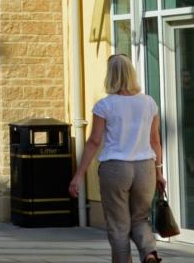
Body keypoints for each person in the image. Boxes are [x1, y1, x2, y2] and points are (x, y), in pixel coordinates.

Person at [70, 54, 165, 263]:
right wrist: (159, 172)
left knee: (118, 226)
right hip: (145, 168)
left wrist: (78, 175)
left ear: (110, 76)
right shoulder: (149, 103)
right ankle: (149, 253)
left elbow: (94, 141)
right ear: (132, 74)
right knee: (140, 218)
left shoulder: (105, 105)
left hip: (115, 168)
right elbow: (155, 141)